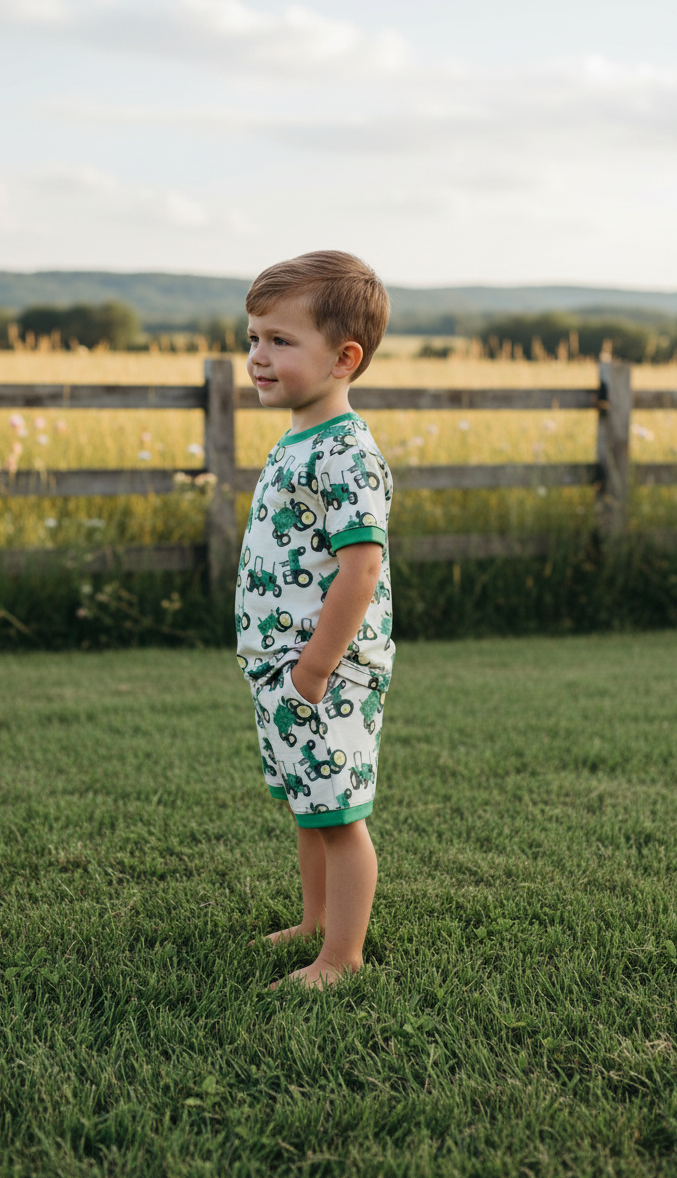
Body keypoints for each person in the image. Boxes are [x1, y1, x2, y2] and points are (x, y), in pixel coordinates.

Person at [236, 250, 394, 988]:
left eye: (279, 340)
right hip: (287, 669)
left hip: (324, 670)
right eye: (253, 338)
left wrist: (316, 667)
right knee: (309, 804)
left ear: (344, 357)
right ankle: (313, 921)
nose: (257, 357)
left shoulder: (346, 452)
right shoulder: (299, 437)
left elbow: (360, 568)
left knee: (339, 814)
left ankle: (341, 955)